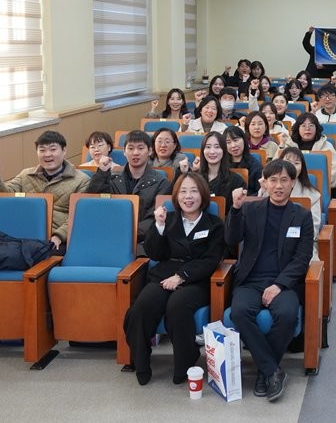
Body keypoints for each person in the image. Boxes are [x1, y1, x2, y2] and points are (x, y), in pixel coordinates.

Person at [124, 172, 224, 386]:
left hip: (196, 279)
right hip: (164, 274)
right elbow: (155, 254)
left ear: (203, 194)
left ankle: (185, 363)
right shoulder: (167, 219)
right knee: (143, 305)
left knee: (178, 306)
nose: (188, 197)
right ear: (176, 196)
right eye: (184, 192)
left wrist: (182, 276)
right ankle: (140, 361)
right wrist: (158, 227)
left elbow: (211, 260)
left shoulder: (214, 224)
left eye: (194, 191)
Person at [227, 160, 314, 402]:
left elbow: (302, 258)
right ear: (264, 183)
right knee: (239, 311)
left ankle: (265, 371)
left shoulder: (302, 216)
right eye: (273, 180)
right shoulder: (249, 209)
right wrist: (234, 209)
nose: (278, 186)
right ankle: (271, 370)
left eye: (284, 180)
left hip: (283, 282)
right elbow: (231, 239)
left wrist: (278, 285)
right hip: (250, 279)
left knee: (287, 314)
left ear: (293, 183)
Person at [0, 130, 90, 252]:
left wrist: (59, 235)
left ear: (64, 150)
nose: (47, 154)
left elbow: (79, 216)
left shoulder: (82, 180)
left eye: (53, 149)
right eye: (42, 150)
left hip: (55, 241)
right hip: (23, 235)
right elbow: (4, 197)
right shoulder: (26, 175)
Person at [89, 130, 171, 250]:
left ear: (150, 151)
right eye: (131, 148)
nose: (135, 153)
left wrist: (126, 234)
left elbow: (152, 219)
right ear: (124, 151)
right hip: (109, 237)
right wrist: (102, 172)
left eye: (140, 148)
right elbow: (94, 201)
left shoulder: (161, 183)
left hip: (142, 242)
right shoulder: (113, 176)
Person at [276, 147, 321, 260]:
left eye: (296, 163)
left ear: (302, 167)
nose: (291, 166)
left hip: (300, 243)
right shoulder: (269, 189)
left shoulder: (312, 194)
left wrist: (287, 234)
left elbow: (313, 228)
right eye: (287, 162)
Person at [186, 132, 245, 214]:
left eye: (217, 147)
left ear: (224, 150)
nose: (212, 151)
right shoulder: (194, 179)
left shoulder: (236, 181)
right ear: (203, 151)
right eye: (208, 147)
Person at [282, 112, 336, 185]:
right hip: (290, 186)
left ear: (316, 128)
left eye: (311, 125)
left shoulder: (327, 146)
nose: (307, 129)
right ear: (297, 128)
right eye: (303, 126)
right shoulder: (288, 145)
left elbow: (333, 169)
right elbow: (277, 168)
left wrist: (323, 186)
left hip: (319, 186)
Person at [225, 126, 263, 196]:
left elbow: (259, 192)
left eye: (236, 140)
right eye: (228, 142)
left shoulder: (255, 165)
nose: (233, 145)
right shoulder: (221, 164)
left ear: (244, 140)